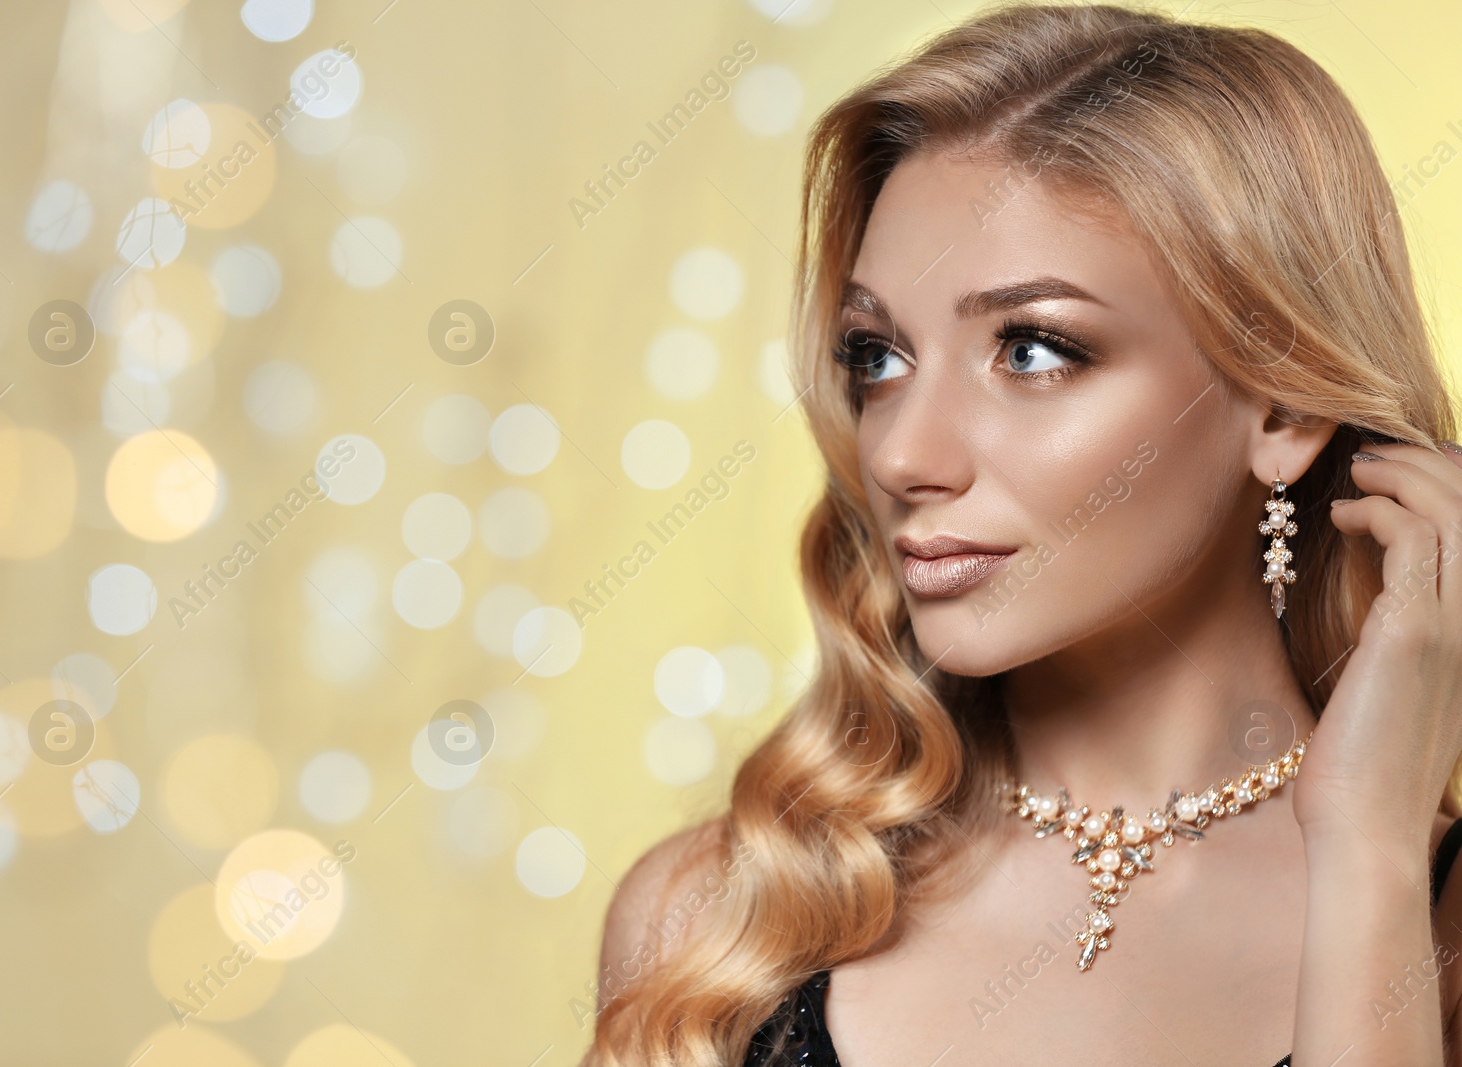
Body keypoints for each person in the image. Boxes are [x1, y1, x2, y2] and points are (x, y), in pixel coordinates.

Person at [580, 3, 1462, 1064]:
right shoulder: (715, 924)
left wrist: (1367, 848)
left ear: (1279, 410)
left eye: (1033, 349)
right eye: (876, 356)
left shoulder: (1432, 916)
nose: (904, 452)